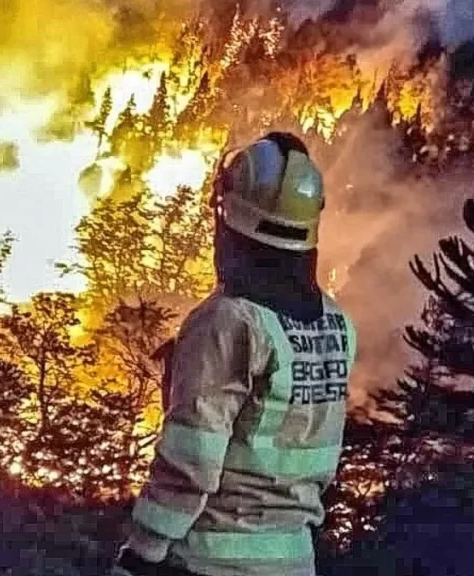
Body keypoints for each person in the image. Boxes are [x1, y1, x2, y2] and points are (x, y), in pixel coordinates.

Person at [112, 132, 358, 576]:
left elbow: (191, 461)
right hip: (293, 563)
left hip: (210, 564)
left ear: (230, 221)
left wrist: (142, 553)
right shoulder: (336, 323)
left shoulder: (229, 322)